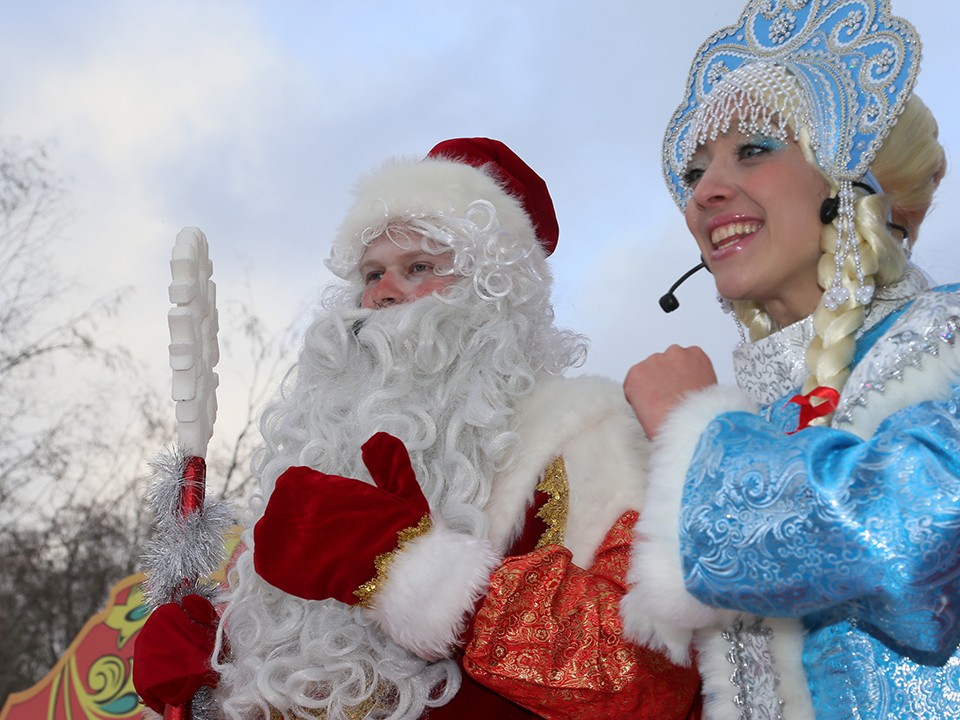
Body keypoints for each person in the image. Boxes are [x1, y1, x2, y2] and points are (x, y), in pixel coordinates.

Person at [134, 137, 702, 719]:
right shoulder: (323, 447)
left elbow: (645, 678)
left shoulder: (586, 433)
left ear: (493, 292)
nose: (382, 292)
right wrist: (215, 679)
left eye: (419, 268)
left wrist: (411, 568)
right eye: (372, 273)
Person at [617, 1, 960, 718]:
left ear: (851, 182)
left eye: (754, 149)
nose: (703, 192)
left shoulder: (949, 339)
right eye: (695, 167)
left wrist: (700, 436)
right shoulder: (753, 415)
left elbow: (908, 544)